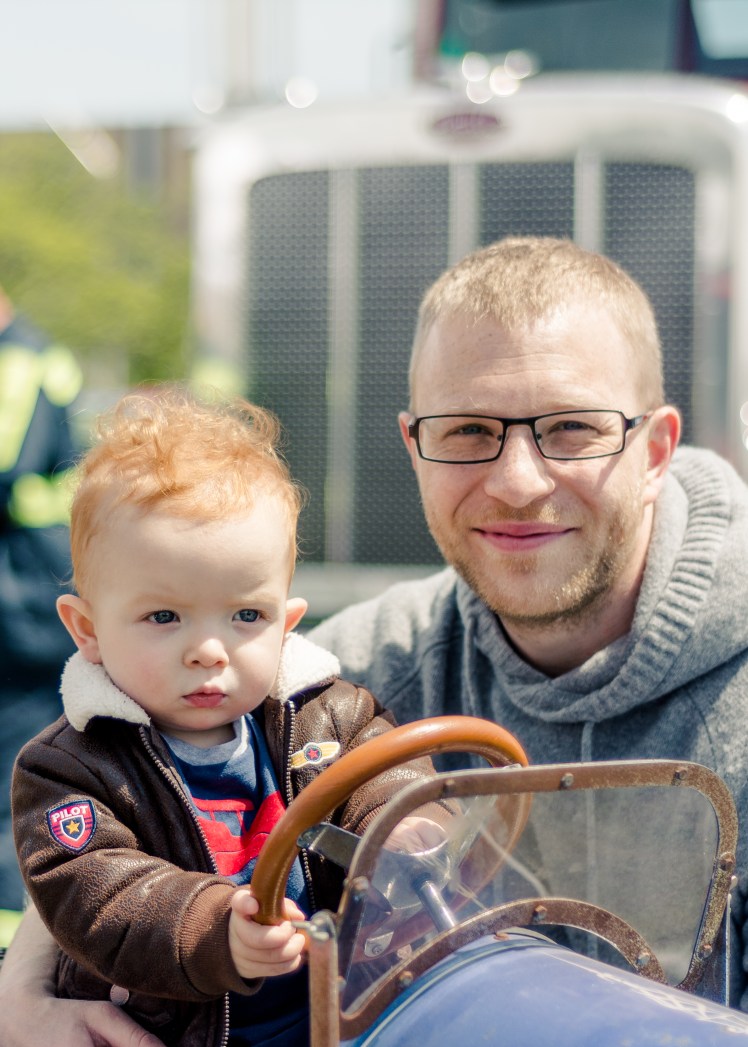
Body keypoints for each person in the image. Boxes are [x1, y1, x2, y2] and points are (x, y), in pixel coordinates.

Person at [4, 233, 748, 1045]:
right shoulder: (357, 663)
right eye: (468, 430)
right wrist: (22, 992)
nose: (517, 481)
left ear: (656, 450)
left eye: (572, 428)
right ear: (413, 448)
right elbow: (114, 817)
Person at [9, 387, 441, 1047]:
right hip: (174, 1030)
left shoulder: (329, 715)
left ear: (286, 623)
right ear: (87, 630)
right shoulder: (69, 768)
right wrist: (214, 929)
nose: (209, 650)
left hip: (333, 1018)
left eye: (246, 615)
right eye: (164, 616)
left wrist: (402, 821)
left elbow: (382, 773)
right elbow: (97, 897)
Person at [0, 285, 80, 926]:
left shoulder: (22, 358)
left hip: (23, 601)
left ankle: (15, 932)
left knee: (16, 773)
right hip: (25, 592)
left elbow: (8, 464)